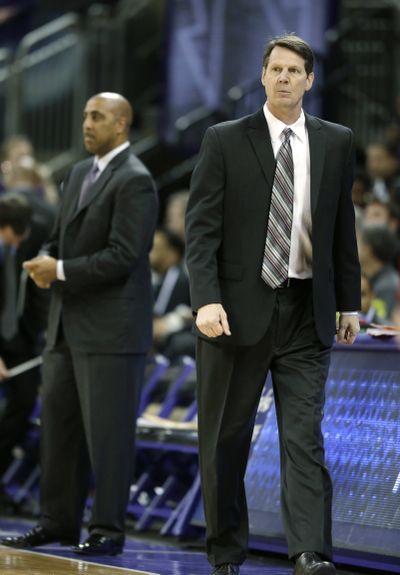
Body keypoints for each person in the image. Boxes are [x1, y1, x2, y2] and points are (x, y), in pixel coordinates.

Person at [185, 34, 361, 575]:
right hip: (235, 314)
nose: (284, 77)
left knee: (304, 439)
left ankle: (310, 552)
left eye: (294, 70)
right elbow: (200, 230)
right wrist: (206, 300)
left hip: (308, 310)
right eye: (275, 69)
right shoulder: (224, 139)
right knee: (226, 440)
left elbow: (341, 229)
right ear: (263, 77)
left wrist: (349, 303)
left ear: (310, 81)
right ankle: (226, 550)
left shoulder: (336, 141)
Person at [1, 92, 158, 555]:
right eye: (86, 115)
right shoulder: (75, 175)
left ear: (122, 125)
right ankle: (57, 522)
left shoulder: (136, 180)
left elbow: (125, 256)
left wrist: (62, 271)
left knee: (107, 435)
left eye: (98, 117)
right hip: (65, 326)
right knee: (59, 429)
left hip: (113, 331)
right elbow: (56, 237)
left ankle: (107, 528)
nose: (87, 123)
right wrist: (47, 257)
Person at [0, 194, 50, 499]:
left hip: (16, 337)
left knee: (24, 400)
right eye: (14, 236)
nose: (18, 243)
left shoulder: (22, 243)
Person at [150, 227, 194, 359]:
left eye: (156, 248)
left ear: (172, 254)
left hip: (180, 334)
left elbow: (190, 312)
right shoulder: (157, 278)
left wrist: (169, 323)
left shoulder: (180, 279)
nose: (150, 253)